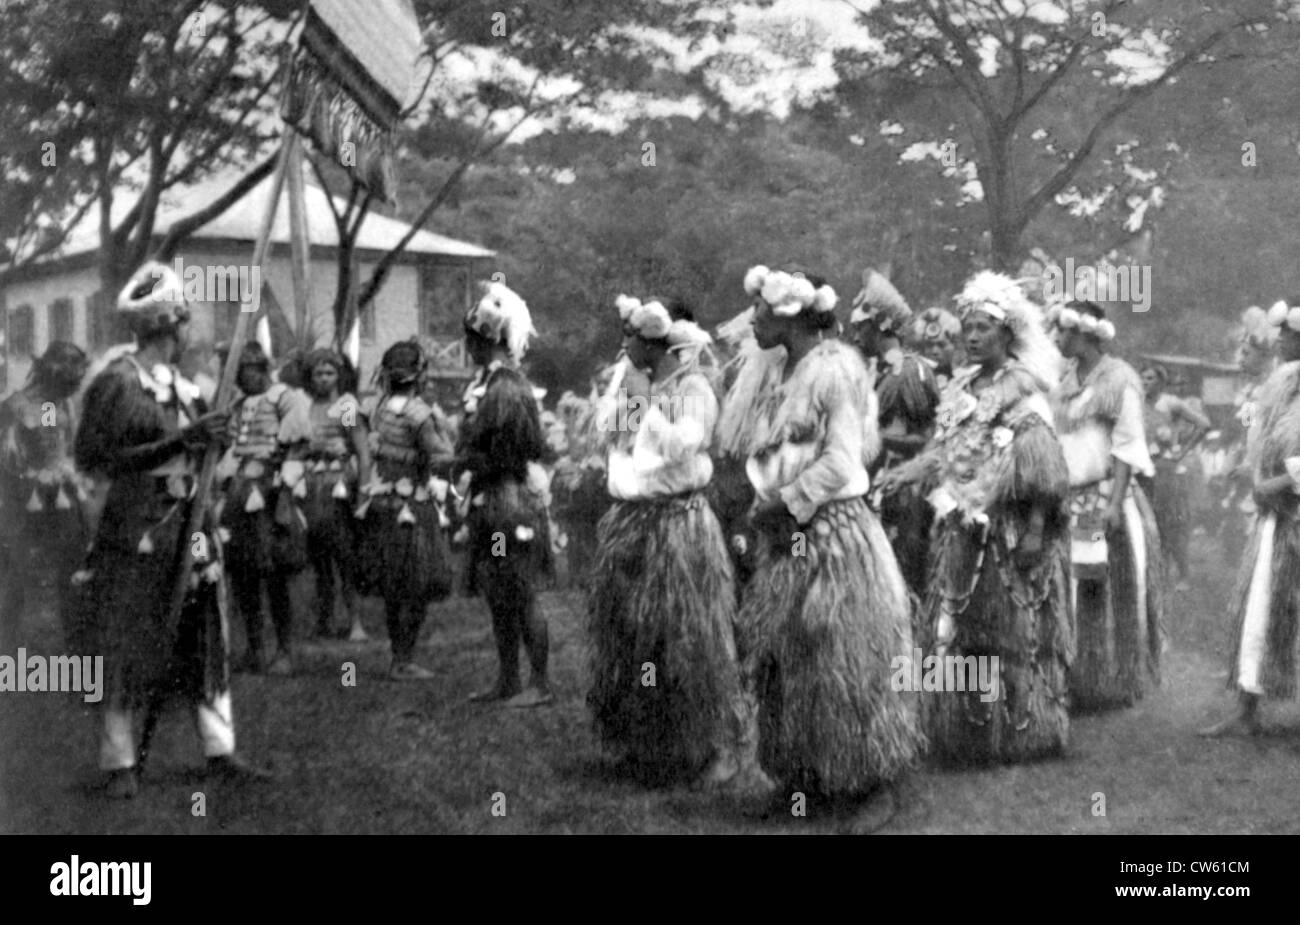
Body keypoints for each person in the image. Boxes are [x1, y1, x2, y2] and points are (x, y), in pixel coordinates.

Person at [721, 264, 922, 831]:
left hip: (834, 536)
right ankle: (801, 782)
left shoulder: (836, 371)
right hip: (785, 536)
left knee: (846, 658)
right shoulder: (782, 370)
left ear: (789, 316)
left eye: (760, 310)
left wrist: (784, 500)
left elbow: (843, 459)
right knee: (789, 660)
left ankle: (869, 786)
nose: (752, 320)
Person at [70, 262, 268, 798]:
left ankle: (220, 750)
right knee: (127, 634)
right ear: (169, 326)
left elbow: (204, 449)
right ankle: (119, 762)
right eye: (183, 324)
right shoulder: (117, 383)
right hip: (137, 524)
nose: (187, 335)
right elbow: (96, 457)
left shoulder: (189, 388)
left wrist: (215, 439)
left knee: (206, 626)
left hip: (193, 520)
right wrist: (183, 441)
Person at [884, 271, 1072, 763]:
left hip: (1005, 534)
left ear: (1007, 332)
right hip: (958, 527)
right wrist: (906, 473)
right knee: (955, 628)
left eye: (982, 327)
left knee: (1008, 631)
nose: (970, 336)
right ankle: (964, 730)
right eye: (966, 326)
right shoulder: (962, 386)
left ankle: (1020, 730)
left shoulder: (1024, 389)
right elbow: (946, 450)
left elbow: (1044, 473)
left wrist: (1033, 532)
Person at [586, 296, 763, 789]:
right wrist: (631, 400)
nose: (623, 345)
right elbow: (613, 439)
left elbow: (683, 444)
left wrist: (645, 404)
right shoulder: (637, 383)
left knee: (692, 639)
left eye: (631, 338)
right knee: (638, 638)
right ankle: (655, 741)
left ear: (655, 343)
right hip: (633, 523)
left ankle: (719, 746)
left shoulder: (694, 389)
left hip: (678, 525)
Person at [1049, 301, 1163, 709]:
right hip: (1071, 501)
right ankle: (1078, 678)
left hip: (1102, 500)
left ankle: (1112, 679)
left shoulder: (1119, 379)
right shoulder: (1063, 380)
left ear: (1083, 333)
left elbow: (1127, 446)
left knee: (1100, 583)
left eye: (1062, 331)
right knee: (1073, 587)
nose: (1057, 339)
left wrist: (1113, 503)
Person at [1201, 298, 1300, 737]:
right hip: (1277, 519)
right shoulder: (1282, 383)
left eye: (1289, 333)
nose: (1280, 338)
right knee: (1259, 606)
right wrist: (1256, 476)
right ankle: (1247, 709)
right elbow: (1265, 444)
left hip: (1288, 507)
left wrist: (1272, 485)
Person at [457, 281, 554, 707]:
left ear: (487, 341)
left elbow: (518, 449)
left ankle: (539, 683)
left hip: (508, 504)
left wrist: (466, 462)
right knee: (499, 590)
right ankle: (509, 679)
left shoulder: (507, 390)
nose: (468, 347)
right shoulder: (492, 384)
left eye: (472, 340)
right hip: (494, 502)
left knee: (518, 587)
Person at [355, 340, 455, 680]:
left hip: (384, 502)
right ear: (419, 374)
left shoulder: (375, 408)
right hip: (412, 504)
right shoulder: (420, 413)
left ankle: (399, 657)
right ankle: (403, 659)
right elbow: (442, 456)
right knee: (415, 585)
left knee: (394, 585)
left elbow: (358, 433)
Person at [219, 342, 312, 676]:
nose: (239, 381)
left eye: (242, 372)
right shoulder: (238, 403)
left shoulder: (285, 397)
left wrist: (285, 484)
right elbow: (228, 445)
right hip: (239, 490)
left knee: (275, 572)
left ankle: (285, 650)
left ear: (258, 368)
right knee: (243, 571)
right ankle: (256, 648)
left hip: (271, 492)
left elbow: (300, 445)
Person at [846, 269, 940, 594]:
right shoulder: (881, 371)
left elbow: (928, 437)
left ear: (881, 327)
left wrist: (870, 439)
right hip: (879, 492)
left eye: (862, 328)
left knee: (905, 582)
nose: (856, 337)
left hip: (907, 495)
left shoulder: (910, 370)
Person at [0, 341, 90, 649]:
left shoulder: (59, 405)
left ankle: (70, 646)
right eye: (68, 382)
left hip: (61, 504)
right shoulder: (14, 406)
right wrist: (32, 477)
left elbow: (61, 448)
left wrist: (65, 473)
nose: (71, 390)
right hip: (24, 508)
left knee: (71, 572)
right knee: (21, 581)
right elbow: (7, 464)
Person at [299, 349, 371, 641]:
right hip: (311, 485)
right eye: (318, 373)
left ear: (339, 376)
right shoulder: (304, 406)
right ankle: (325, 620)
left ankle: (355, 622)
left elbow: (363, 452)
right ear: (310, 377)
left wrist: (364, 495)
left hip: (340, 487)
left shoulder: (347, 406)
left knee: (345, 556)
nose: (324, 379)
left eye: (330, 373)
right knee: (319, 559)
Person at [1139, 362, 1211, 590]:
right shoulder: (1136, 403)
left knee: (1170, 523)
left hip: (1166, 470)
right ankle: (1152, 573)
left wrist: (1182, 450)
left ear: (1162, 382)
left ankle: (1182, 574)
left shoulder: (1173, 403)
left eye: (1150, 379)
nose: (1145, 383)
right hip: (1141, 469)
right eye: (1143, 378)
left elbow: (1204, 424)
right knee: (1144, 522)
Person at [910, 307, 965, 389]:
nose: (935, 351)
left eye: (941, 345)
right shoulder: (914, 381)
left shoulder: (964, 380)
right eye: (929, 345)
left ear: (954, 346)